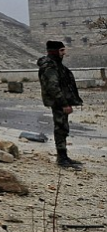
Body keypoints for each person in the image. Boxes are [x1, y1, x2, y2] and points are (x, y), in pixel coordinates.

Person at [37, 40, 84, 168]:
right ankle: (62, 158)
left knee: (63, 127)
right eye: (61, 50)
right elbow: (53, 87)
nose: (64, 53)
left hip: (61, 101)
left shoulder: (56, 65)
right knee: (61, 128)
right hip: (58, 102)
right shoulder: (50, 67)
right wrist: (64, 104)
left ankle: (64, 156)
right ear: (55, 51)